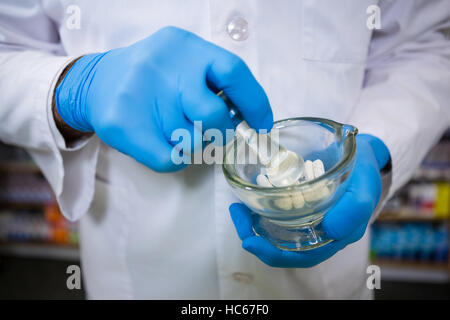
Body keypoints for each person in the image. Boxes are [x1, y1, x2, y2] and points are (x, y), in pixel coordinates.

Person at [0, 0, 449, 299]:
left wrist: (379, 143)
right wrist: (75, 88)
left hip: (325, 283)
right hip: (136, 276)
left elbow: (426, 43)